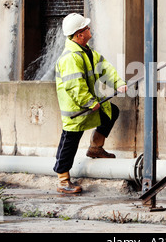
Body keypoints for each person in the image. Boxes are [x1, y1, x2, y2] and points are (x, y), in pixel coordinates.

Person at [53, 13, 128, 194]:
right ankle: (63, 180)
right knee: (69, 142)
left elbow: (105, 69)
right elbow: (74, 85)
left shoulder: (87, 52)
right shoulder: (71, 57)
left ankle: (95, 148)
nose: (89, 29)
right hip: (76, 109)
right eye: (86, 28)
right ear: (79, 34)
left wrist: (118, 83)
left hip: (88, 105)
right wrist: (89, 102)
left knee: (112, 112)